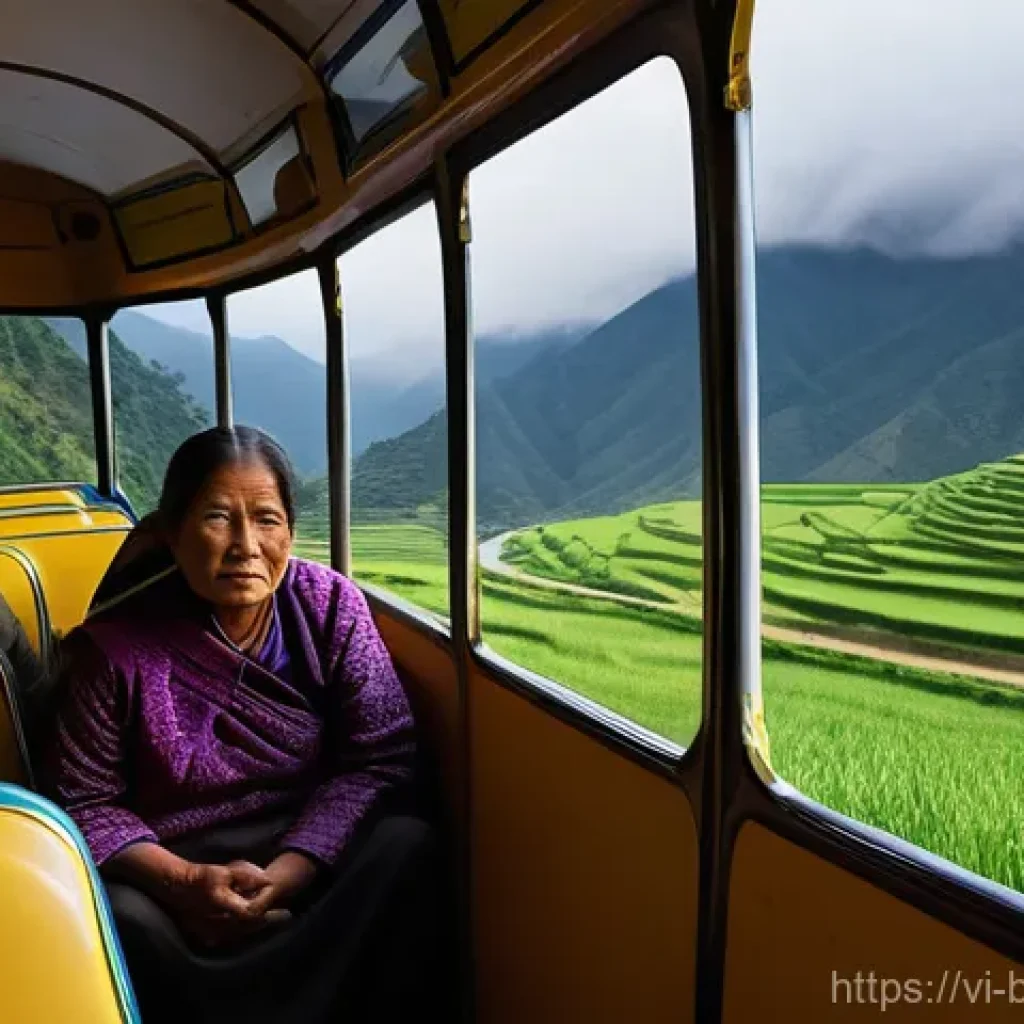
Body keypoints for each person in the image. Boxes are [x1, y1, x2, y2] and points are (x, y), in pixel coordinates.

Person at [42, 426, 444, 1024]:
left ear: (290, 532)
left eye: (267, 519)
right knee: (119, 914)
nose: (246, 546)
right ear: (171, 534)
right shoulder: (113, 650)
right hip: (173, 871)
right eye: (217, 518)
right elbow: (84, 801)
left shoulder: (330, 607)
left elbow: (380, 756)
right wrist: (183, 882)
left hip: (308, 850)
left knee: (406, 844)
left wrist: (290, 871)